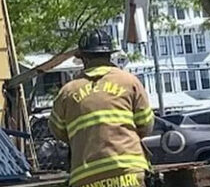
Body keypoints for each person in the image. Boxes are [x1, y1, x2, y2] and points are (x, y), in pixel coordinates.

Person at [49, 29, 155, 187]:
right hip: (129, 173)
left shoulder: (67, 92)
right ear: (109, 55)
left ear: (83, 58)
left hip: (86, 178)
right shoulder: (129, 81)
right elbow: (146, 125)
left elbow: (58, 131)